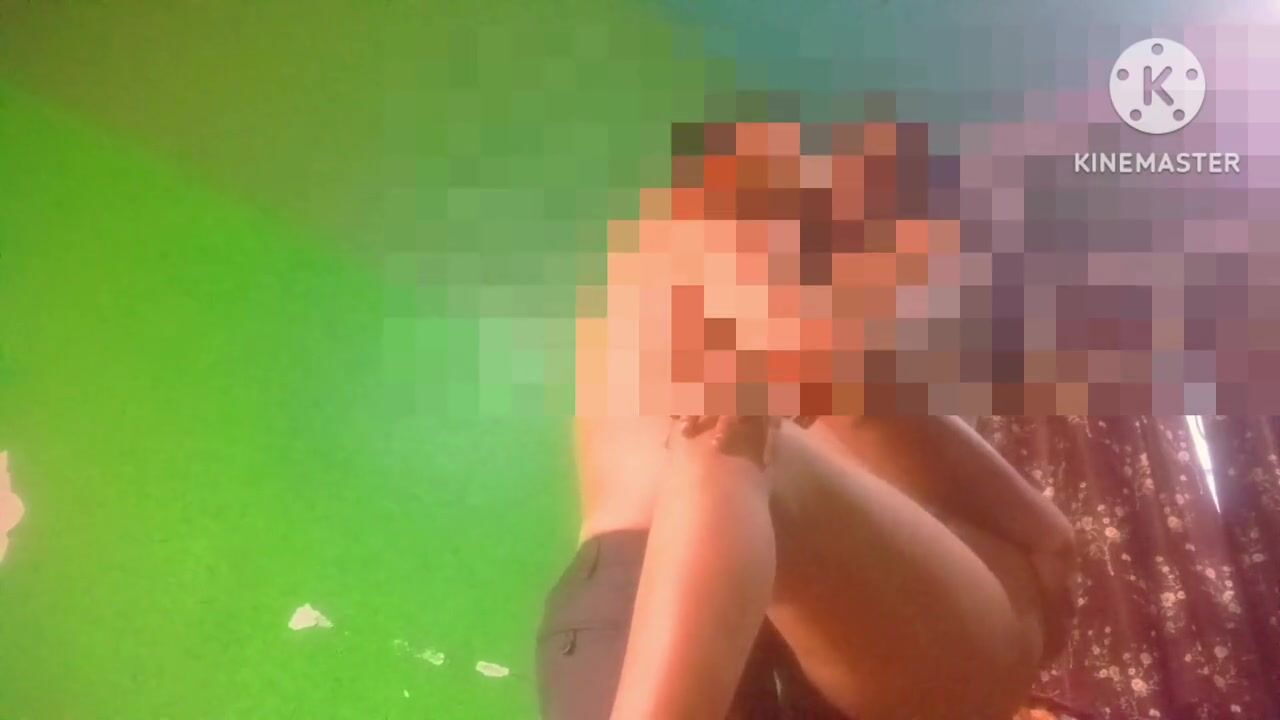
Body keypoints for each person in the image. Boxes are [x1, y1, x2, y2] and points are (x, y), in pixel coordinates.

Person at [538, 122, 1080, 720]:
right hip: (730, 592)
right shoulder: (764, 224)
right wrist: (1044, 533)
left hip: (607, 611)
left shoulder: (651, 249)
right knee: (741, 436)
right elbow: (858, 415)